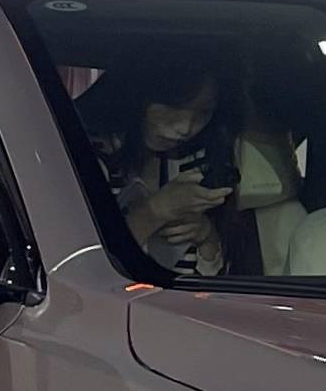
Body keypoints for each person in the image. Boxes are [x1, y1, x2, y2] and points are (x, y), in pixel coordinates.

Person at [82, 54, 249, 276]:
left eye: (204, 112)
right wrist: (155, 211)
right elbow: (81, 270)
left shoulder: (198, 161)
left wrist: (207, 236)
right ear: (137, 92)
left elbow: (218, 282)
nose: (186, 127)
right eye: (173, 105)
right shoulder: (84, 155)